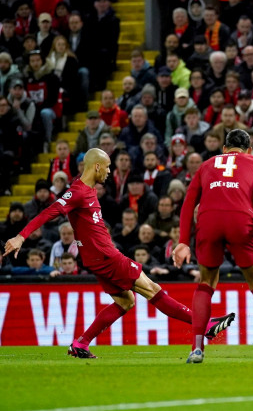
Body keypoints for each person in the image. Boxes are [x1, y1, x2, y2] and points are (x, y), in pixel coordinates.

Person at [3, 149, 235, 359]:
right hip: (105, 256)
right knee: (152, 289)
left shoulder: (87, 190)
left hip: (97, 258)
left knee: (126, 301)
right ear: (96, 167)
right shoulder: (78, 191)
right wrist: (21, 236)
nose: (109, 171)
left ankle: (81, 343)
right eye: (107, 166)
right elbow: (51, 211)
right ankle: (204, 326)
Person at [172, 130, 253, 364]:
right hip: (240, 220)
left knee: (206, 283)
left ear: (224, 149)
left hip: (208, 220)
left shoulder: (207, 164)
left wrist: (183, 241)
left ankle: (197, 348)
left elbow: (189, 202)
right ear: (249, 150)